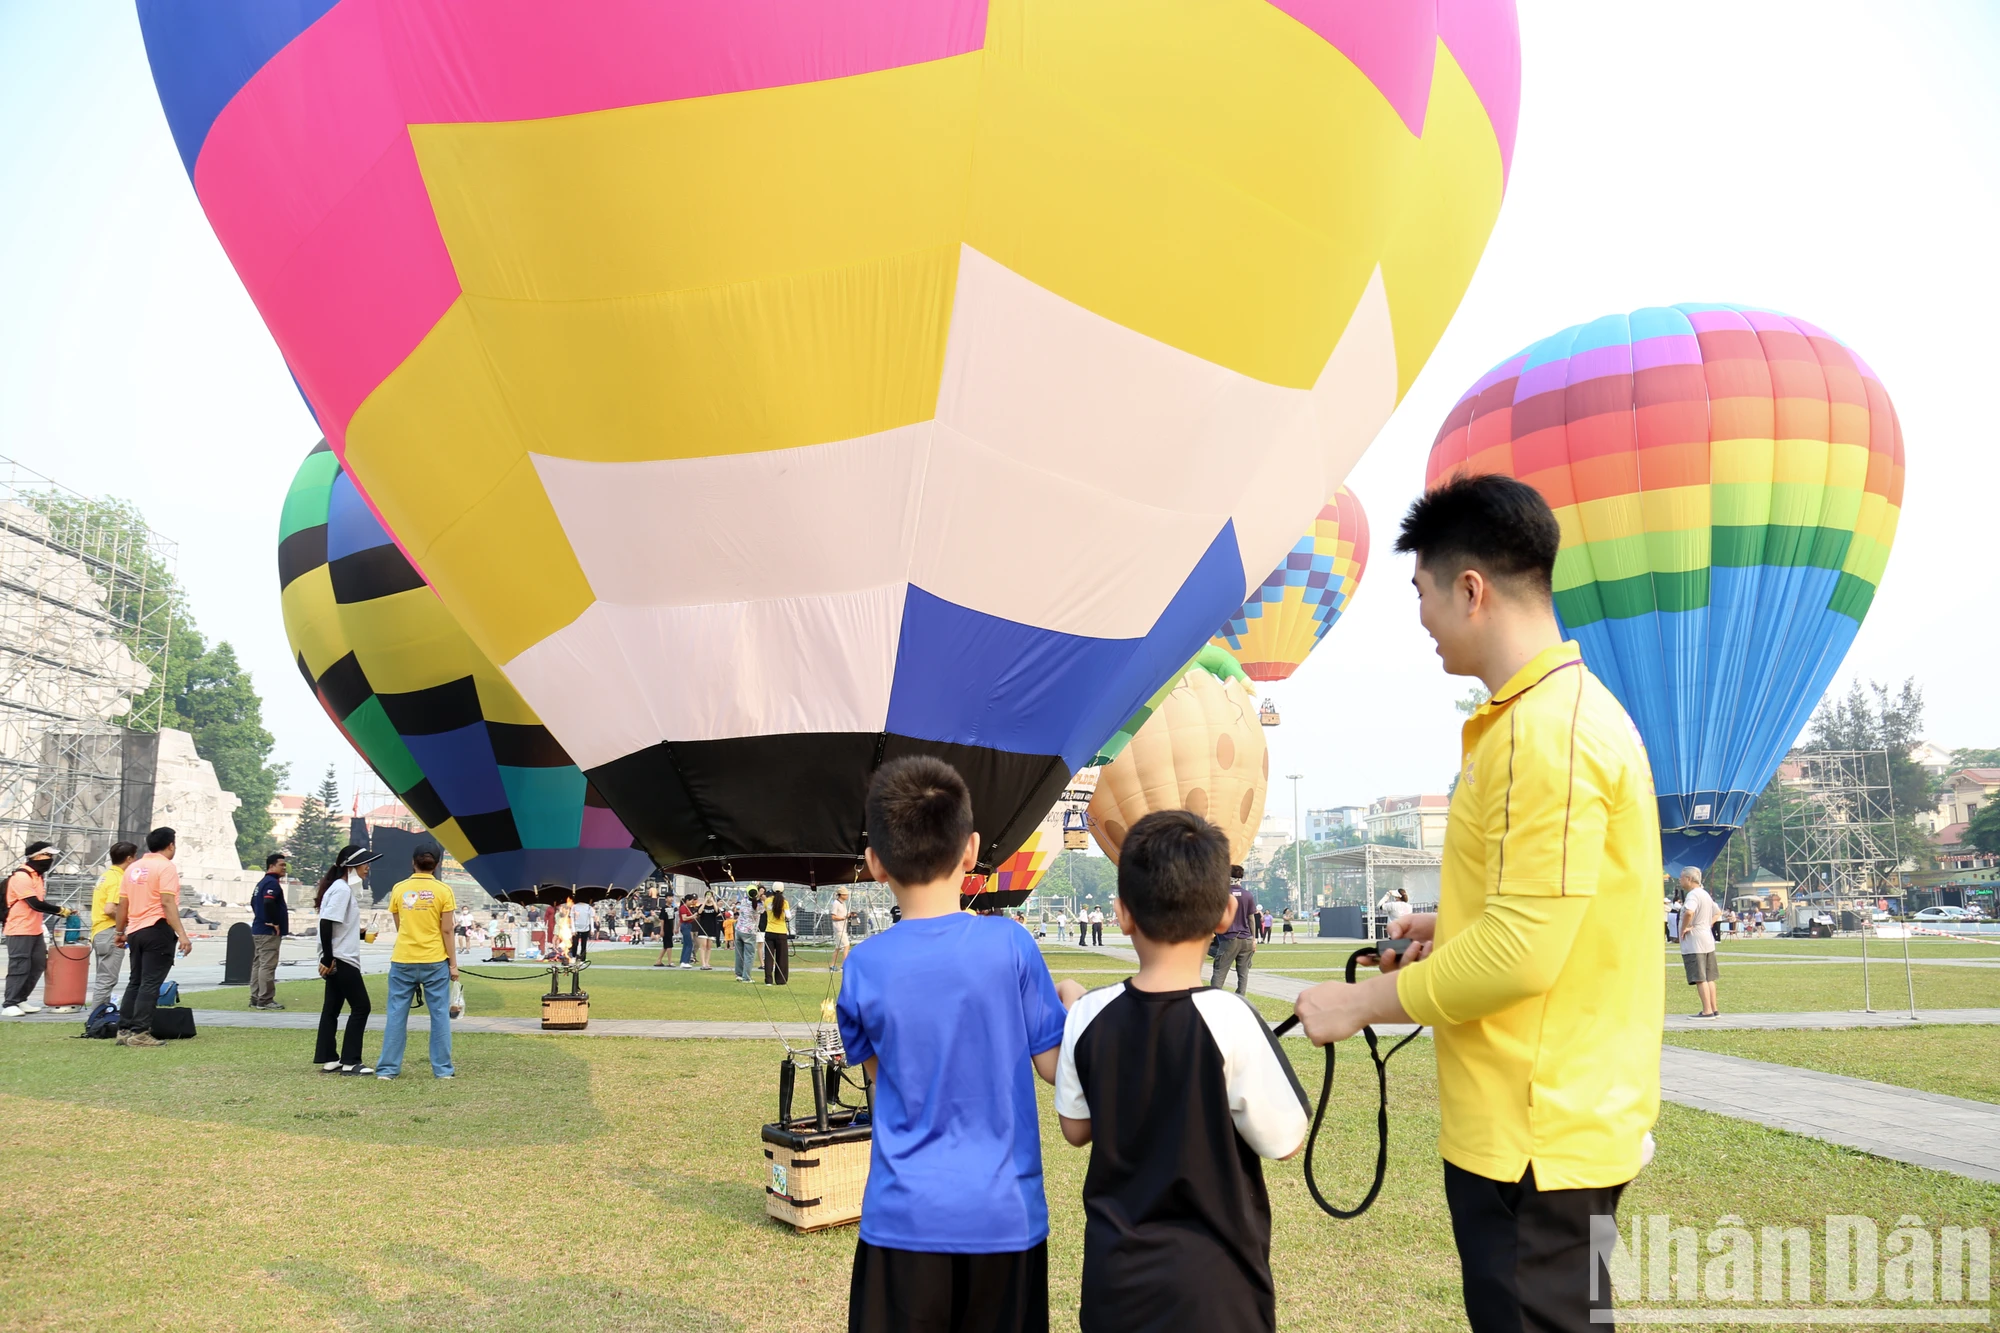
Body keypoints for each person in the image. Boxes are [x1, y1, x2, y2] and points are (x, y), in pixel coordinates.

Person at [1293, 474, 1663, 1333]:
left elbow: (1523, 950)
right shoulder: (1547, 717)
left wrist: (1360, 1003)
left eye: (1420, 592)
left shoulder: (1549, 733)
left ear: (1471, 588)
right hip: (1543, 1125)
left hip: (1537, 1141)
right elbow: (1554, 918)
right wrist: (1446, 926)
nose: (1419, 618)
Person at [837, 756, 1084, 1333]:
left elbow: (881, 1075)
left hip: (904, 1218)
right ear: (971, 850)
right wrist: (1073, 1005)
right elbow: (1054, 1066)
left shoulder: (864, 966)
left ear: (875, 863)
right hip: (1005, 1219)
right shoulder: (1012, 945)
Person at [1056, 810, 1307, 1333]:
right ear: (1223, 914)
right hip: (1218, 1291)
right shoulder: (1231, 1017)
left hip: (1115, 1285)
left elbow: (1076, 1130)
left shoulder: (1087, 1013)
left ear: (1122, 914)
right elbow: (1284, 1140)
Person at [376, 847, 458, 1079]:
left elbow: (399, 923)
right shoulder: (443, 890)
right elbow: (447, 930)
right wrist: (453, 964)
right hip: (434, 960)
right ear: (438, 864)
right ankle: (442, 1070)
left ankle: (388, 1069)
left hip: (403, 958)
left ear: (413, 863)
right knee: (440, 1015)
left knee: (396, 1015)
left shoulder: (400, 889)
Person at [113, 828, 193, 1046]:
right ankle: (140, 1032)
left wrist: (120, 932)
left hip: (135, 931)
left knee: (135, 981)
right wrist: (182, 934)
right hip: (156, 929)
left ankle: (124, 1029)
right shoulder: (166, 867)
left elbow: (123, 904)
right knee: (150, 983)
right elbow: (167, 903)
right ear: (171, 845)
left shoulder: (133, 868)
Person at [314, 844, 378, 1074]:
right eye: (364, 863)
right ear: (351, 865)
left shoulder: (339, 888)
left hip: (338, 956)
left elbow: (338, 926)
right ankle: (351, 1060)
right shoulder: (341, 890)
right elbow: (326, 923)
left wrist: (361, 933)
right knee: (361, 1007)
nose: (367, 868)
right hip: (342, 959)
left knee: (332, 1008)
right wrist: (328, 958)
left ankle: (329, 1058)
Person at [4, 841, 78, 1015]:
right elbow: (35, 904)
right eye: (48, 855)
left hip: (34, 929)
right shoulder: (21, 877)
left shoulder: (37, 876)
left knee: (37, 965)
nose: (50, 859)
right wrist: (61, 910)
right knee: (19, 966)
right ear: (36, 856)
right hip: (19, 929)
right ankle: (9, 1003)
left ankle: (21, 999)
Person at [87, 841, 138, 1009]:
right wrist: (128, 920)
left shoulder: (106, 875)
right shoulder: (118, 879)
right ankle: (97, 1019)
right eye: (135, 857)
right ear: (129, 859)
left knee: (104, 977)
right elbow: (110, 908)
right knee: (107, 979)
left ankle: (100, 1014)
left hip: (99, 931)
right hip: (109, 931)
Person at [249, 851, 290, 1010]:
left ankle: (255, 996)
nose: (284, 868)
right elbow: (268, 902)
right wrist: (273, 922)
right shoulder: (272, 884)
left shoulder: (261, 883)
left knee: (258, 964)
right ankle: (265, 999)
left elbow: (253, 903)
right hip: (268, 932)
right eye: (281, 865)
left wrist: (261, 918)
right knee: (267, 965)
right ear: (271, 866)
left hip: (258, 929)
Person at [1678, 867, 1720, 1018]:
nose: (1680, 880)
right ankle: (1714, 1008)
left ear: (1689, 879)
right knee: (1709, 977)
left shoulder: (1693, 895)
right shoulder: (1705, 894)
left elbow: (1689, 911)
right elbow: (1717, 912)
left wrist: (1684, 928)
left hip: (1695, 942)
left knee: (1699, 977)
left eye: (1681, 878)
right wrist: (1707, 924)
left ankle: (1707, 1010)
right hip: (1706, 938)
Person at [1209, 870, 1257, 996]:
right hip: (1246, 938)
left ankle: (1214, 999)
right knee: (1243, 973)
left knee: (1220, 971)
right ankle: (1241, 999)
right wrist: (1254, 939)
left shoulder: (1222, 894)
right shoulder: (1248, 895)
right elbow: (1251, 919)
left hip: (1229, 938)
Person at [762, 888, 790, 986]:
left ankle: (768, 980)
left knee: (769, 956)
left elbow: (766, 910)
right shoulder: (784, 902)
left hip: (769, 931)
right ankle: (780, 979)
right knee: (781, 957)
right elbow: (788, 916)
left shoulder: (767, 901)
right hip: (781, 932)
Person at [733, 887, 761, 983]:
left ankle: (739, 974)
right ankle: (746, 977)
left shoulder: (743, 901)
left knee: (739, 954)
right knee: (749, 955)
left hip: (739, 929)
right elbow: (762, 909)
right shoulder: (758, 906)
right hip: (750, 932)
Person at [695, 891, 722, 970]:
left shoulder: (714, 906)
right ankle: (703, 963)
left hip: (712, 928)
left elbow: (717, 911)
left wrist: (713, 901)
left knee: (709, 947)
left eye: (710, 895)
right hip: (703, 928)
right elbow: (699, 912)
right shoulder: (702, 906)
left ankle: (707, 962)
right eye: (707, 895)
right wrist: (704, 902)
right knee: (703, 946)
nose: (708, 897)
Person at [830, 886, 852, 971]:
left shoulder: (843, 903)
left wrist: (848, 915)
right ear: (841, 895)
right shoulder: (836, 903)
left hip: (843, 927)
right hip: (839, 928)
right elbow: (833, 916)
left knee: (838, 948)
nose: (847, 896)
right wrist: (843, 918)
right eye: (845, 895)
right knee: (846, 945)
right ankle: (844, 965)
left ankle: (832, 965)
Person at [571, 896, 594, 961]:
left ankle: (582, 959)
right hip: (576, 928)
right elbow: (572, 917)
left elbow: (591, 918)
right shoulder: (574, 906)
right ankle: (573, 957)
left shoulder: (589, 907)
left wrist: (592, 929)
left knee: (583, 944)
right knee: (575, 943)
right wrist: (573, 929)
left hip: (585, 928)